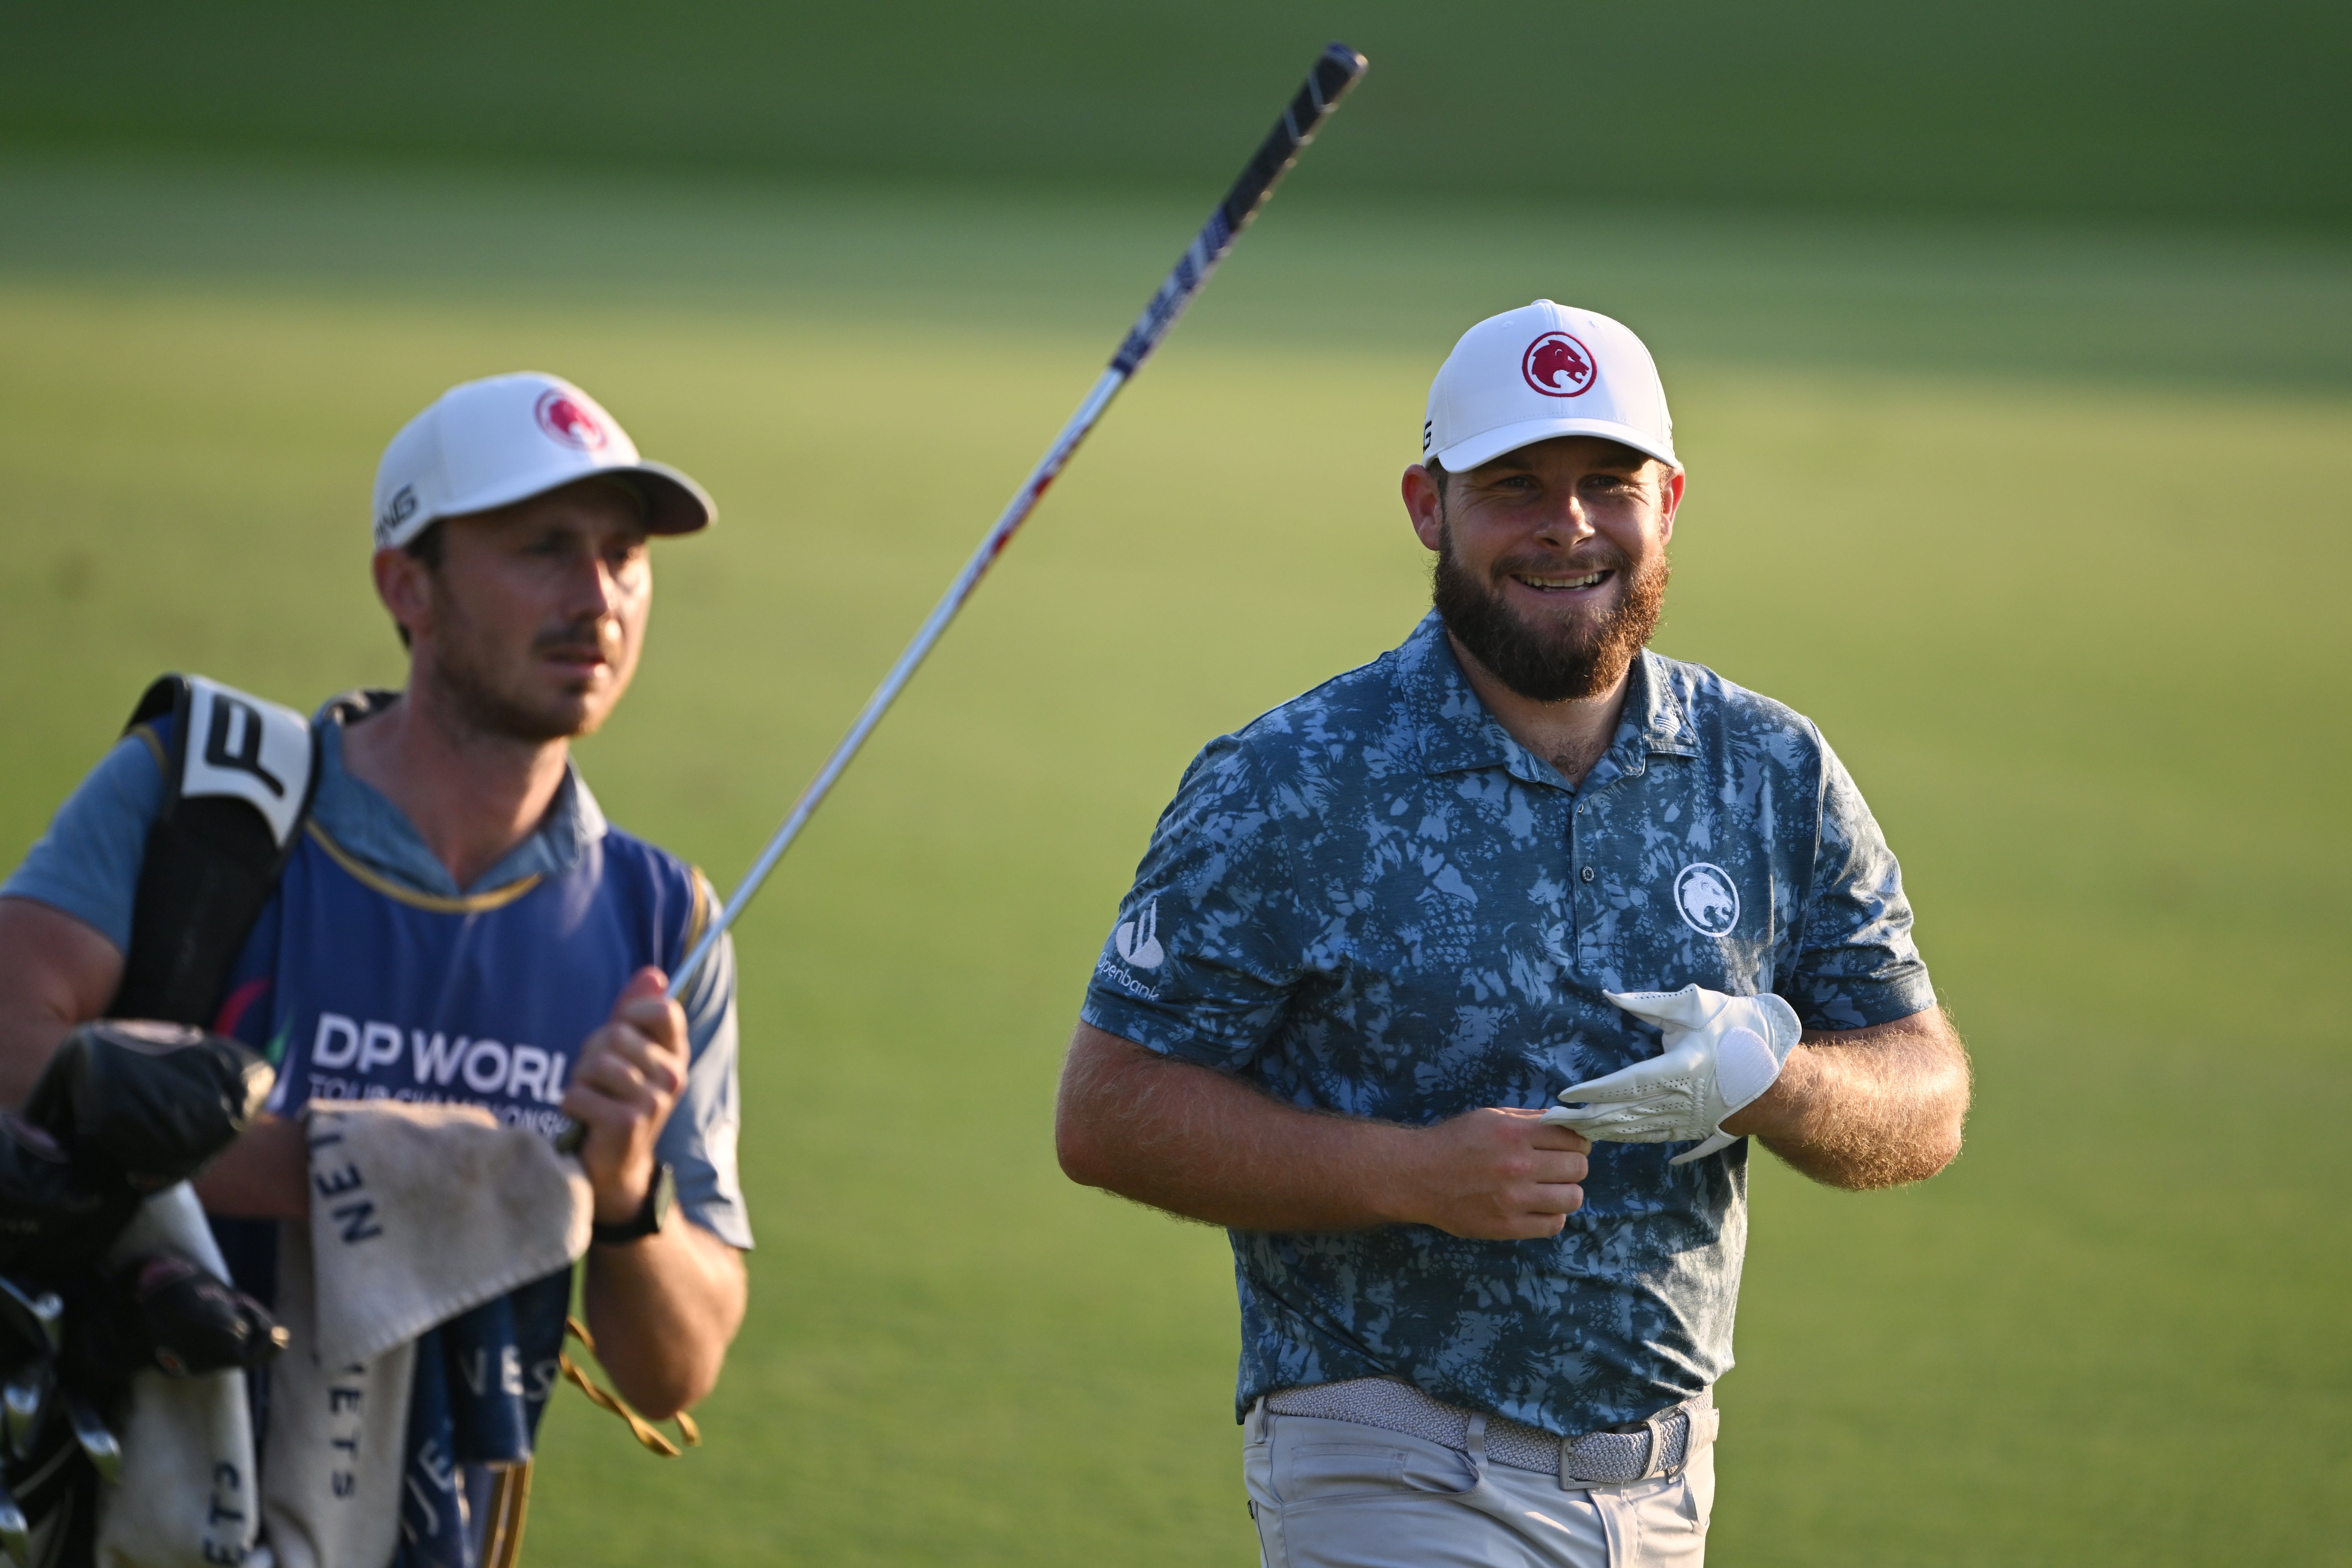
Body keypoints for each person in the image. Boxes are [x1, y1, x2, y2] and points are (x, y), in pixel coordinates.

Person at [1055, 301, 1970, 1567]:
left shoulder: (1770, 768)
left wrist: (1773, 1080)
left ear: (1672, 500)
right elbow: (1107, 1108)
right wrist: (1409, 1175)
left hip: (1662, 1481)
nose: (1568, 524)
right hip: (1384, 1445)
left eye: (1609, 481)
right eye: (1514, 486)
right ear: (1429, 506)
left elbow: (1926, 1097)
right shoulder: (1289, 782)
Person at [0, 372, 750, 1431]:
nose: (597, 596)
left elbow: (676, 1369)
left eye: (623, 555)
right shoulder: (203, 799)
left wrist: (622, 1202)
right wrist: (390, 1175)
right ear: (408, 586)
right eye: (543, 546)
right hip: (134, 1505)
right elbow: (10, 1041)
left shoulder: (662, 921)